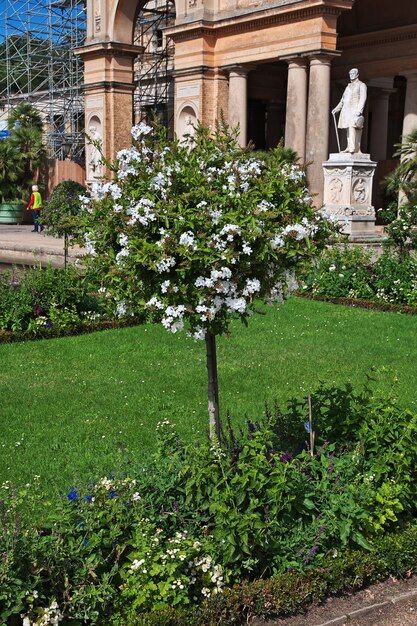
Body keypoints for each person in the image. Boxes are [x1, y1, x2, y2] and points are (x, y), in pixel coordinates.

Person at [332, 68, 367, 154]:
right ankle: (349, 147)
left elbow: (363, 98)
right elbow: (343, 100)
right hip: (346, 110)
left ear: (357, 74)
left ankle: (353, 148)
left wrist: (359, 111)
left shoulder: (361, 85)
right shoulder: (348, 87)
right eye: (350, 73)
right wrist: (336, 109)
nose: (351, 75)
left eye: (353, 73)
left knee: (352, 126)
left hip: (354, 109)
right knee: (348, 128)